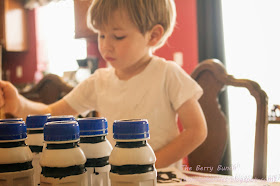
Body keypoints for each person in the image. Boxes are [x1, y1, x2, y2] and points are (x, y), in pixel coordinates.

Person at [0, 0, 207, 170]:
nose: (105, 45)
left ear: (153, 36)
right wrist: (18, 104)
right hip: (113, 178)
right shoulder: (99, 81)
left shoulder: (167, 74)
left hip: (160, 178)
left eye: (118, 36)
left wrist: (149, 163)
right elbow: (51, 113)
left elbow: (196, 130)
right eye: (101, 34)